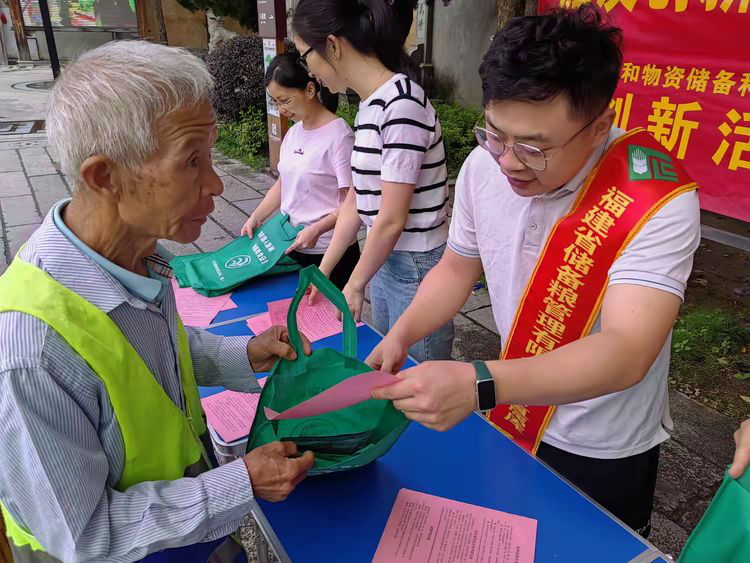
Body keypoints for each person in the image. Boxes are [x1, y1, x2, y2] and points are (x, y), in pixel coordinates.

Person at [370, 6, 701, 538]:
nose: (508, 162)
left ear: (597, 129)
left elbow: (625, 349)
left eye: (534, 147)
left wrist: (480, 383)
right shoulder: (485, 166)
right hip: (514, 406)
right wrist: (402, 334)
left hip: (601, 441)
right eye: (496, 133)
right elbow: (456, 269)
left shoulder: (656, 198)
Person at [0, 41, 314, 562]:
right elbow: (85, 534)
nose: (216, 184)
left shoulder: (139, 254)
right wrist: (240, 484)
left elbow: (144, 353)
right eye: (192, 161)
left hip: (190, 533)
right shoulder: (29, 352)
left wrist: (245, 354)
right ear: (104, 177)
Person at [291, 0, 454, 362]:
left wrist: (355, 283)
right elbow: (358, 198)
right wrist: (324, 272)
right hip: (383, 256)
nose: (310, 72)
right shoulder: (370, 104)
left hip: (415, 265)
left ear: (332, 45)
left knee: (416, 372)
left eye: (306, 56)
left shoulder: (402, 104)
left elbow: (393, 218)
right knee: (385, 366)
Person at [241, 50, 359, 290]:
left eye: (285, 100)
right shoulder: (294, 132)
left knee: (328, 323)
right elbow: (284, 183)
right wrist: (258, 215)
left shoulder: (339, 136)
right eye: (275, 102)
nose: (281, 109)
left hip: (329, 251)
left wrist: (317, 228)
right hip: (291, 244)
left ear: (309, 89)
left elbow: (352, 205)